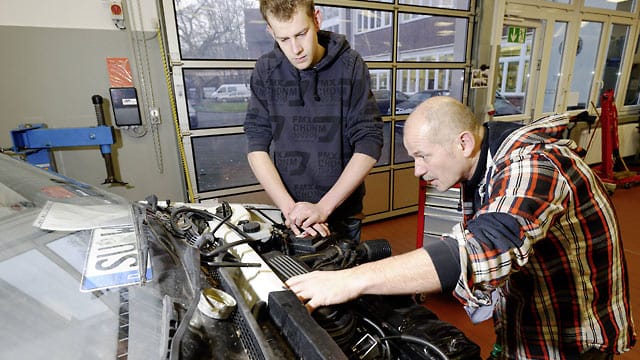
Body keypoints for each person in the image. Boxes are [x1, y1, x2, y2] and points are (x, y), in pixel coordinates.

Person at [286, 96, 636, 359]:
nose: (417, 170)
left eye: (422, 155)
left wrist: (349, 280)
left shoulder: (533, 165)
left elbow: (482, 247)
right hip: (525, 323)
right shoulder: (483, 165)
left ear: (463, 143)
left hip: (572, 340)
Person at [244, 0, 383, 242]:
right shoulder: (266, 70)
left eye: (301, 33)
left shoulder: (350, 65)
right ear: (270, 31)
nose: (295, 49)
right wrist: (291, 211)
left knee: (344, 276)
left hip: (342, 213)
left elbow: (369, 141)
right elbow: (256, 145)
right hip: (290, 213)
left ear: (317, 19)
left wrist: (322, 208)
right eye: (283, 39)